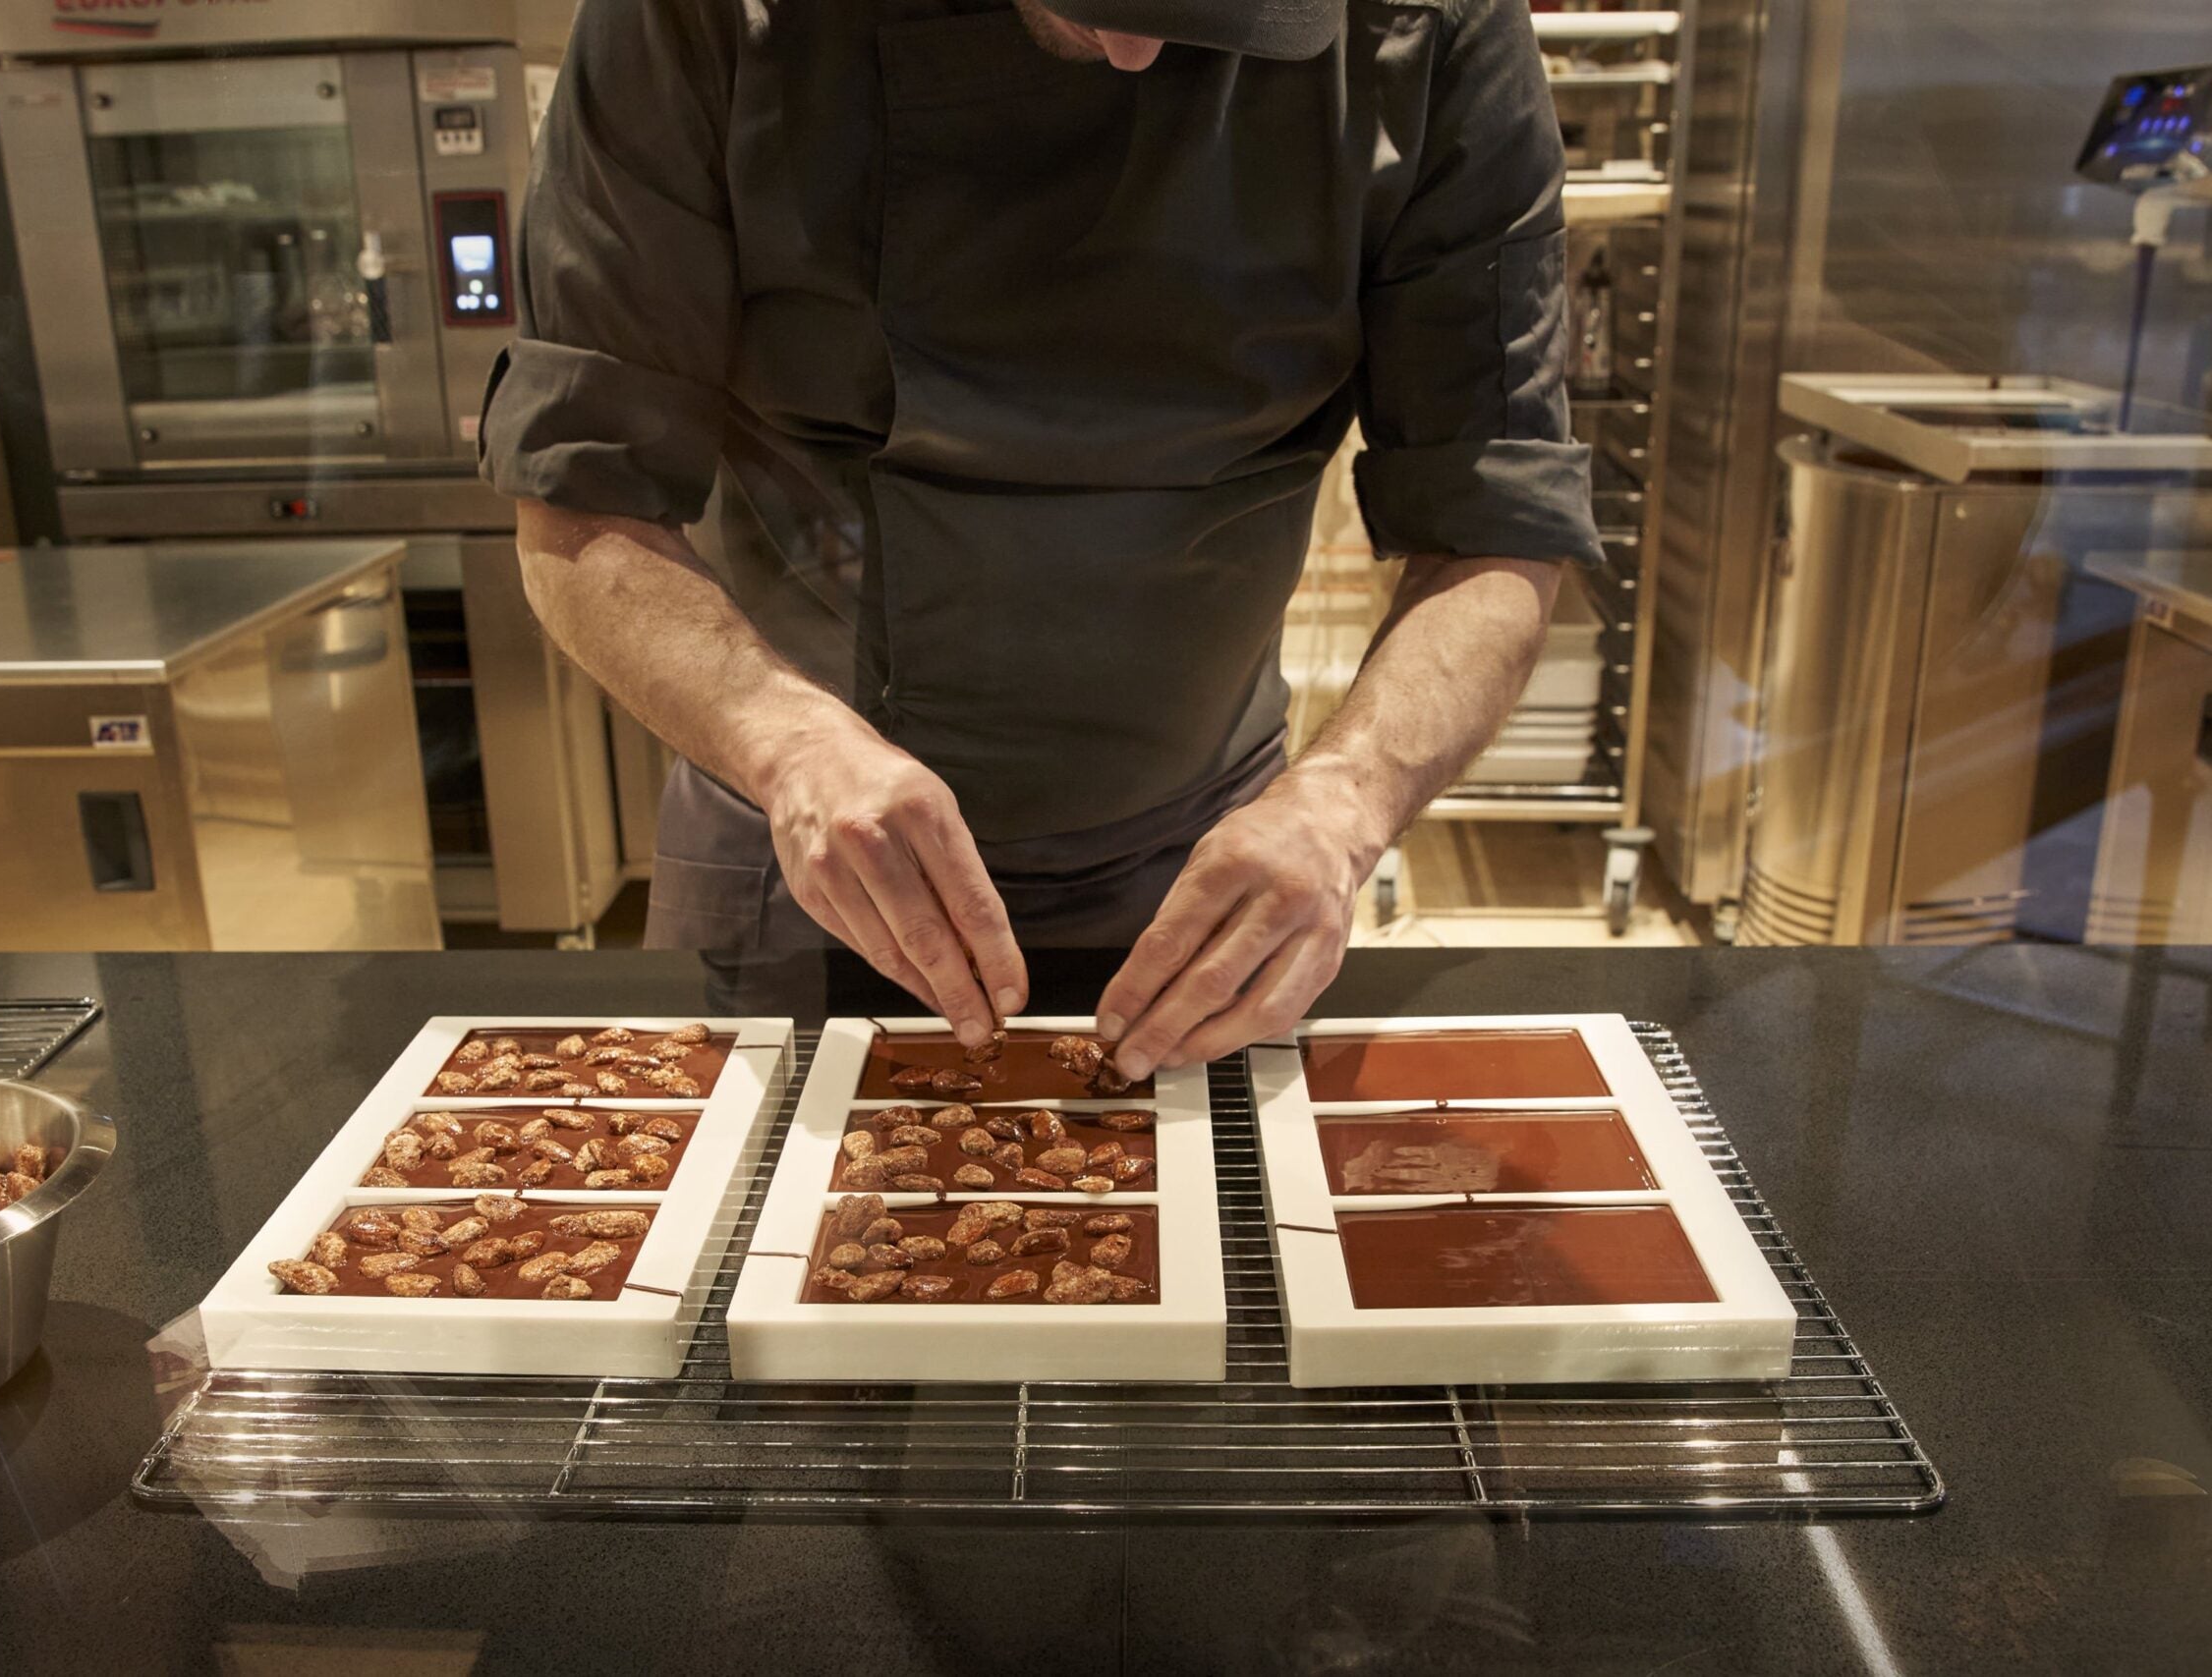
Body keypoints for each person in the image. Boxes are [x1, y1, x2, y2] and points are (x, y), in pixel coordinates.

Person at [482, 0, 1603, 1082]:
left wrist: (1344, 808)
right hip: (804, 852)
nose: (1131, 51)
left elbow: (1490, 526)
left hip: (1211, 868)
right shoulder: (698, 16)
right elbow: (582, 504)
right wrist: (784, 743)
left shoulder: (1436, 24)